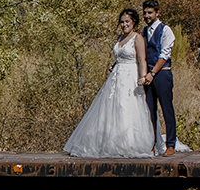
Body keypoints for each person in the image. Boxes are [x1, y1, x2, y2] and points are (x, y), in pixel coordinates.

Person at [63, 8, 155, 158]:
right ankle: (111, 142)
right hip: (116, 76)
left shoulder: (137, 38)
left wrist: (143, 76)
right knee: (112, 107)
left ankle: (127, 143)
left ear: (133, 22)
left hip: (130, 76)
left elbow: (141, 59)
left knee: (125, 106)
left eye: (127, 22)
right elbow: (119, 56)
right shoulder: (120, 38)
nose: (124, 25)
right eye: (122, 22)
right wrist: (114, 65)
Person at [140, 0, 183, 157]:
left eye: (150, 13)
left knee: (166, 109)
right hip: (148, 76)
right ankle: (152, 143)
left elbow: (164, 55)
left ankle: (170, 144)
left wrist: (152, 73)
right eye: (145, 13)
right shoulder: (144, 31)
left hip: (162, 74)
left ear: (157, 13)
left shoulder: (166, 30)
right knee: (150, 111)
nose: (147, 16)